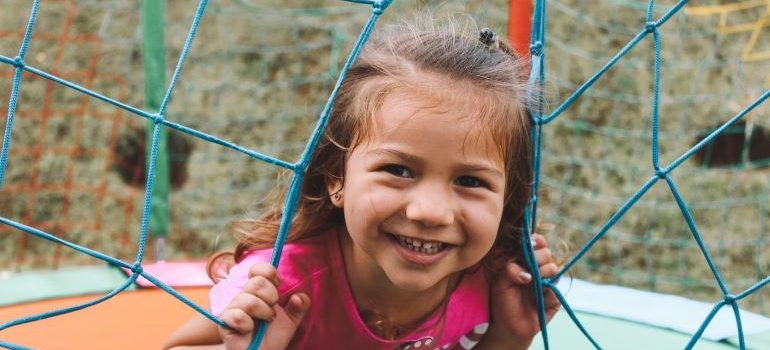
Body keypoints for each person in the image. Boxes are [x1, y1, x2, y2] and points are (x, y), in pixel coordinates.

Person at [164, 17, 560, 350]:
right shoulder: (275, 286)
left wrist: (511, 335)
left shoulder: (493, 279)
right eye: (399, 170)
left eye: (470, 180)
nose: (430, 212)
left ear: (508, 198)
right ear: (337, 176)